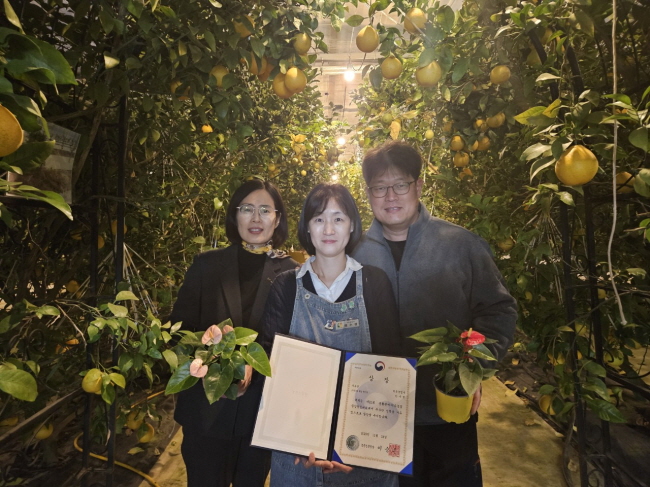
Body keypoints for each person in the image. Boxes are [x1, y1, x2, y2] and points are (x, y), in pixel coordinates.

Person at [352, 141, 517, 487]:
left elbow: (497, 309)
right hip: (376, 414)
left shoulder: (459, 244)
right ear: (368, 194)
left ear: (419, 186)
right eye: (379, 187)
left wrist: (473, 368)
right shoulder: (353, 254)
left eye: (400, 185)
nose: (390, 196)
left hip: (446, 412)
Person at [260, 183, 401, 487]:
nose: (328, 229)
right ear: (307, 228)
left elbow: (392, 369)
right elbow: (270, 365)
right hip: (298, 451)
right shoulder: (286, 286)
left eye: (338, 218)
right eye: (319, 219)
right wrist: (299, 436)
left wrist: (356, 447)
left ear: (351, 226)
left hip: (363, 450)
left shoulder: (374, 283)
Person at [169, 179, 298, 487]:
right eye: (247, 209)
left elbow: (294, 343)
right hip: (206, 412)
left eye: (265, 210)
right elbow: (178, 331)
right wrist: (204, 349)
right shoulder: (207, 266)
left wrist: (257, 365)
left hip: (260, 416)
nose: (256, 218)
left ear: (277, 218)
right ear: (234, 215)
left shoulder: (292, 274)